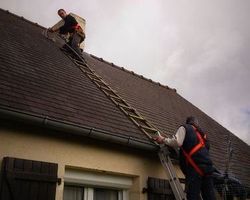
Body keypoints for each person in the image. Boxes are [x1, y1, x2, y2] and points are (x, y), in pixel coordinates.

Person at [154, 116, 216, 200]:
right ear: (196, 123)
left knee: (192, 196)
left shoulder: (185, 128)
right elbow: (207, 148)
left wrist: (163, 139)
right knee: (209, 196)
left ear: (188, 122)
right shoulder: (203, 135)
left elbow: (177, 142)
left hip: (195, 169)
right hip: (208, 169)